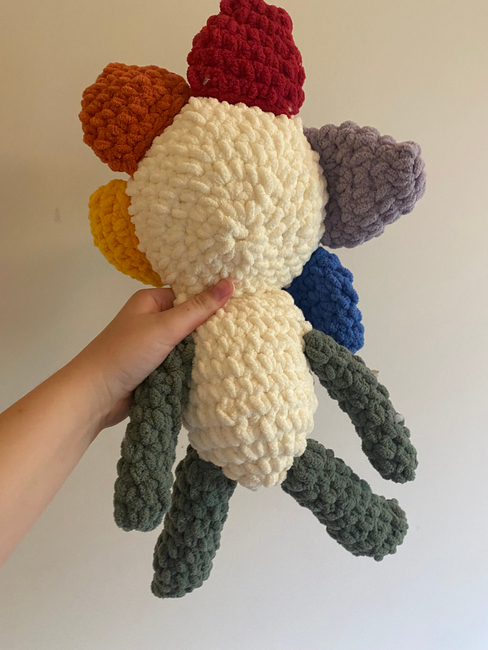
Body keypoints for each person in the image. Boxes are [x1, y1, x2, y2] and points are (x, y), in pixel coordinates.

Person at [0, 278, 234, 569]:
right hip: (211, 438)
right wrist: (102, 384)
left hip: (251, 437)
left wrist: (102, 385)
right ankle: (176, 559)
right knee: (197, 467)